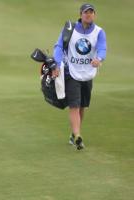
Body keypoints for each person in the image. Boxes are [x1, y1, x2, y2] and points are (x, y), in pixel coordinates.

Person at [53, 4, 107, 150]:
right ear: (81, 14)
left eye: (91, 12)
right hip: (72, 73)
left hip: (88, 74)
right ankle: (77, 136)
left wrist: (99, 59)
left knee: (82, 106)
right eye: (86, 12)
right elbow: (59, 46)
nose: (88, 15)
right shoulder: (70, 29)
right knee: (74, 106)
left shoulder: (99, 32)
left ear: (94, 15)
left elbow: (102, 48)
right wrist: (57, 65)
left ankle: (73, 134)